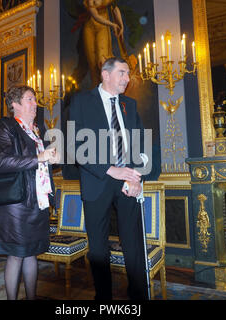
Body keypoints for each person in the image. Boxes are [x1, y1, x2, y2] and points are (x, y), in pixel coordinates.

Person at [68, 57, 150, 300]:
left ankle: (138, 296)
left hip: (128, 183)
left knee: (133, 242)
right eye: (122, 73)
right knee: (98, 247)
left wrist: (136, 178)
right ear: (106, 74)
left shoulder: (130, 105)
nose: (127, 78)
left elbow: (140, 144)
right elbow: (75, 145)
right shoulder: (81, 101)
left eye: (128, 74)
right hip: (97, 181)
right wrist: (109, 169)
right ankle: (103, 298)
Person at [0, 85, 60, 300]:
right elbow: (3, 162)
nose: (35, 104)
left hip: (37, 201)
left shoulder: (37, 130)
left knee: (31, 253)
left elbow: (39, 166)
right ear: (15, 104)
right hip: (16, 205)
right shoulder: (6, 126)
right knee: (16, 255)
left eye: (35, 99)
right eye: (30, 99)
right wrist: (40, 157)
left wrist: (52, 160)